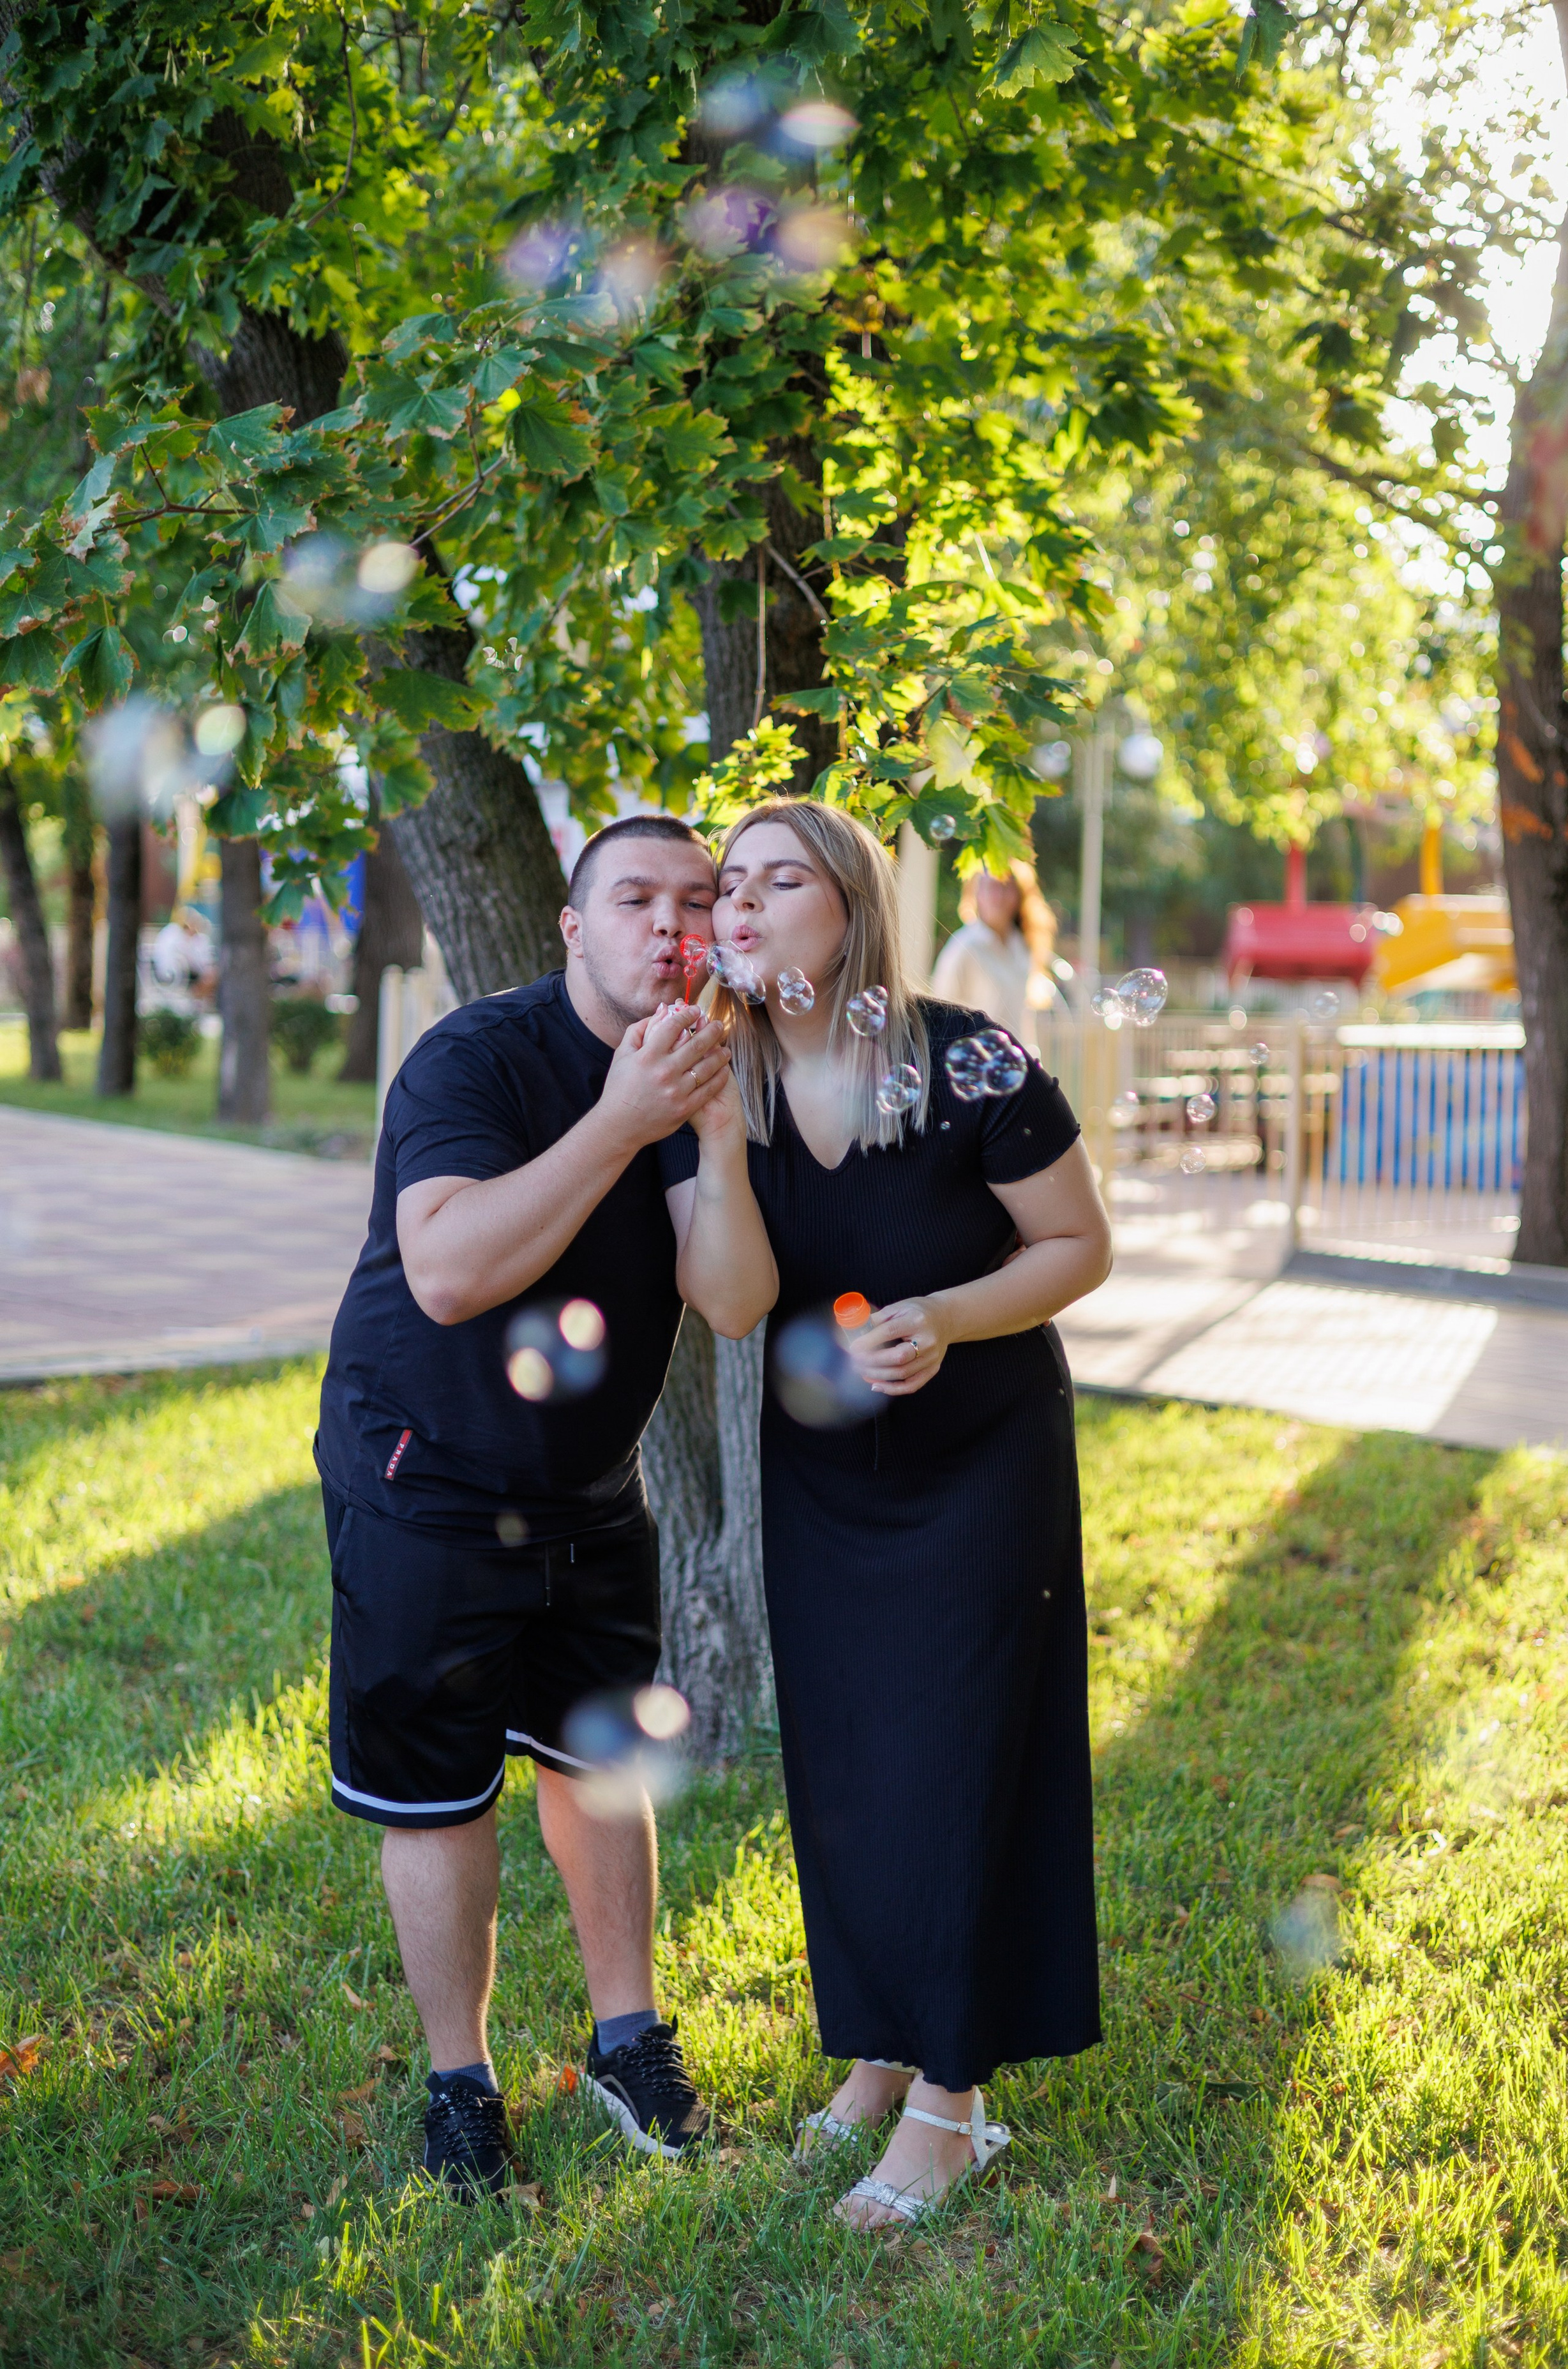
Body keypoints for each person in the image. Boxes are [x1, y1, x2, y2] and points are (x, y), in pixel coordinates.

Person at [662, 799, 1113, 2228]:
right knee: (849, 1762)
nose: (739, 907)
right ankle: (872, 2049)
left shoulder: (968, 1056)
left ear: (849, 906)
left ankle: (948, 2104)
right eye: (725, 886)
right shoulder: (707, 1076)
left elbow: (1076, 1246)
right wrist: (720, 1143)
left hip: (982, 1463)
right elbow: (734, 1307)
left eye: (777, 881)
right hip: (824, 1479)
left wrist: (948, 1318)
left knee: (957, 1759)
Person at [315, 815, 770, 2198]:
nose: (670, 925)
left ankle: (627, 2047)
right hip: (426, 1471)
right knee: (440, 1789)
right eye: (634, 898)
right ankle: (461, 2084)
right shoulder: (477, 1057)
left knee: (594, 1764)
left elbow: (735, 1302)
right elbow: (448, 1271)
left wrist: (712, 1136)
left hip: (588, 1484)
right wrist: (619, 1121)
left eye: (696, 899)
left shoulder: (699, 1065)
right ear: (572, 928)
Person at [929, 857, 1064, 1051]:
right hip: (976, 1066)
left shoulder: (1020, 945)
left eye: (1007, 887)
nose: (999, 896)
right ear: (976, 894)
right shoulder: (964, 947)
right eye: (992, 887)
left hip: (1015, 1066)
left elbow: (1021, 1015)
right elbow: (940, 1015)